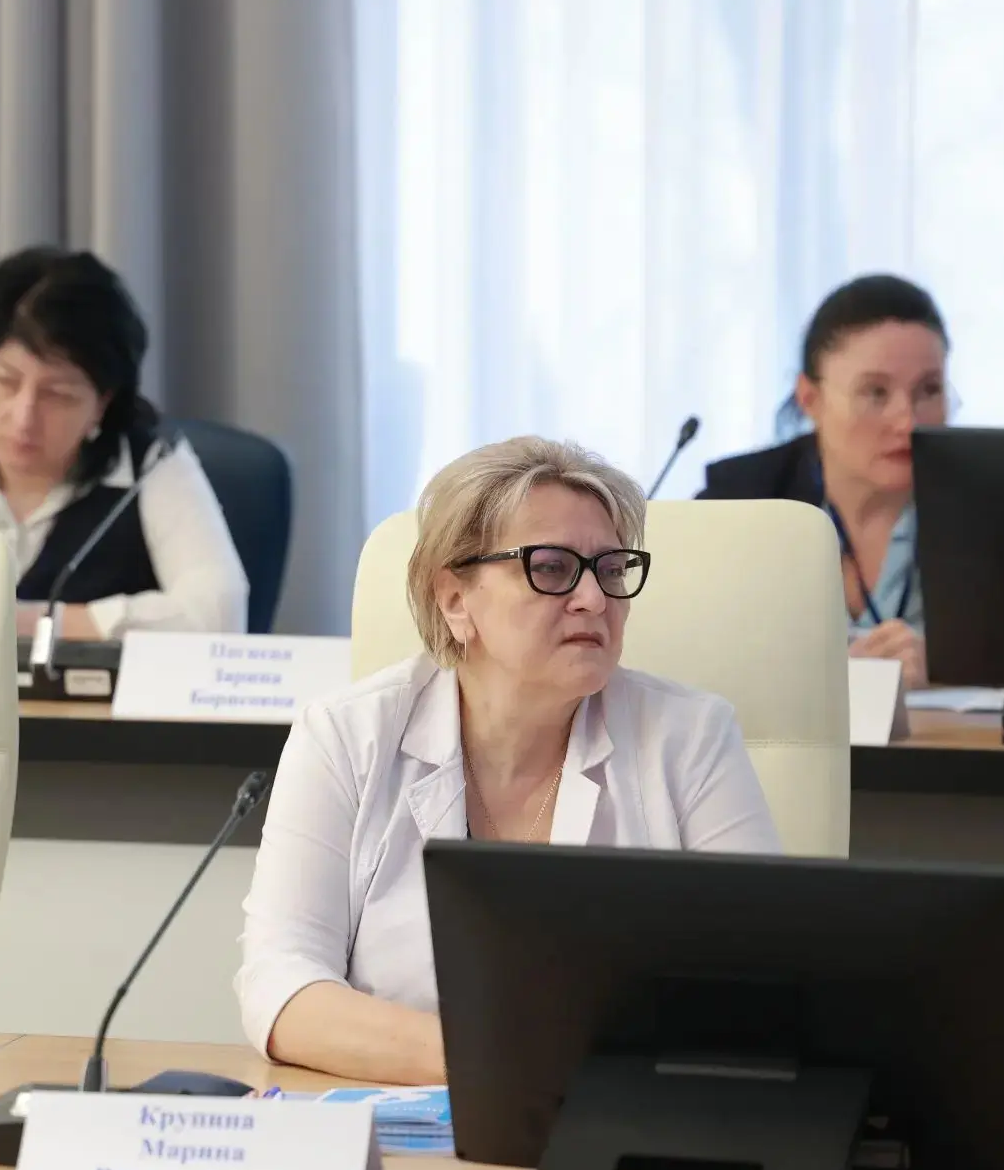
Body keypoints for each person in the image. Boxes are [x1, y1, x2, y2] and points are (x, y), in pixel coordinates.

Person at [235, 436, 781, 1084]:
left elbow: (761, 980)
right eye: (551, 567)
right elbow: (281, 983)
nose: (594, 599)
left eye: (611, 569)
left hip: (623, 1114)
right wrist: (497, 1062)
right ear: (454, 599)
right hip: (400, 1116)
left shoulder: (689, 738)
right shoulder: (347, 736)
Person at [0, 246, 249, 638]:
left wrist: (34, 623)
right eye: (5, 382)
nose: (23, 416)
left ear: (102, 403)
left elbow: (219, 614)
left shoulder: (154, 468)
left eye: (57, 395)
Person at [698, 275, 949, 689]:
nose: (907, 421)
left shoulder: (994, 511)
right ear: (810, 399)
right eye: (875, 393)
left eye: (929, 390)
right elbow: (691, 658)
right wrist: (820, 679)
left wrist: (947, 671)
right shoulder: (738, 502)